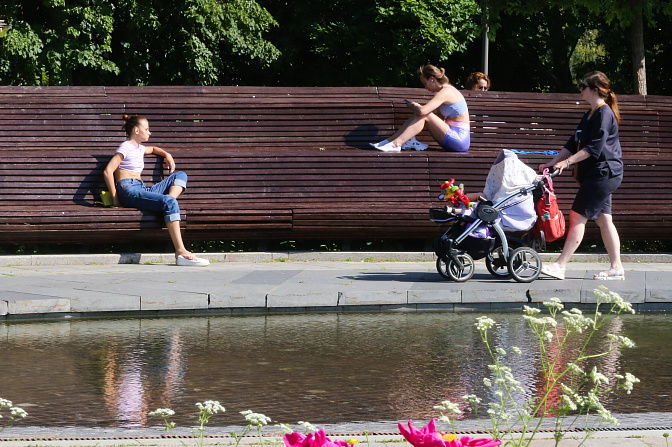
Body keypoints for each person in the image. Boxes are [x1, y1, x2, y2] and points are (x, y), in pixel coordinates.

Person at [539, 71, 624, 280]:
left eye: (583, 86)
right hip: (599, 173)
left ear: (595, 90)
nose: (580, 89)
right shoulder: (589, 114)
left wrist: (567, 163)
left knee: (578, 216)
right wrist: (553, 162)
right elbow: (573, 142)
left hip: (604, 172)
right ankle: (617, 268)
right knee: (604, 220)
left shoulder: (604, 114)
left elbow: (594, 147)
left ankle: (560, 265)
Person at [103, 115, 209, 267]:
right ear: (136, 130)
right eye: (147, 129)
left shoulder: (139, 148)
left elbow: (153, 149)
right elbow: (108, 171)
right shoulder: (126, 146)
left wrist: (167, 155)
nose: (150, 132)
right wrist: (114, 197)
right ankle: (180, 251)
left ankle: (167, 205)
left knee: (180, 175)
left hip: (140, 188)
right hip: (128, 189)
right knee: (170, 201)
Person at [370, 64, 470, 153]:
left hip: (459, 140)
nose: (425, 87)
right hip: (451, 138)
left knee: (424, 114)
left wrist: (415, 106)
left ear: (432, 79)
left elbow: (424, 111)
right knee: (421, 114)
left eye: (425, 83)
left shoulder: (445, 92)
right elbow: (438, 119)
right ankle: (389, 141)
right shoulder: (444, 92)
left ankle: (396, 144)